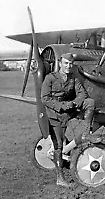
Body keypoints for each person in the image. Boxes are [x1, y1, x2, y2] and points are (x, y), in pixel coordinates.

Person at [41, 53, 100, 187]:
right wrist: (62, 106)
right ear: (60, 63)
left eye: (70, 64)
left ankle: (86, 134)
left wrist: (73, 104)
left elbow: (83, 94)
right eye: (66, 63)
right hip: (55, 115)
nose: (68, 66)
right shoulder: (50, 78)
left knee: (90, 102)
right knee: (59, 147)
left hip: (69, 110)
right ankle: (60, 178)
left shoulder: (74, 78)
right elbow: (45, 98)